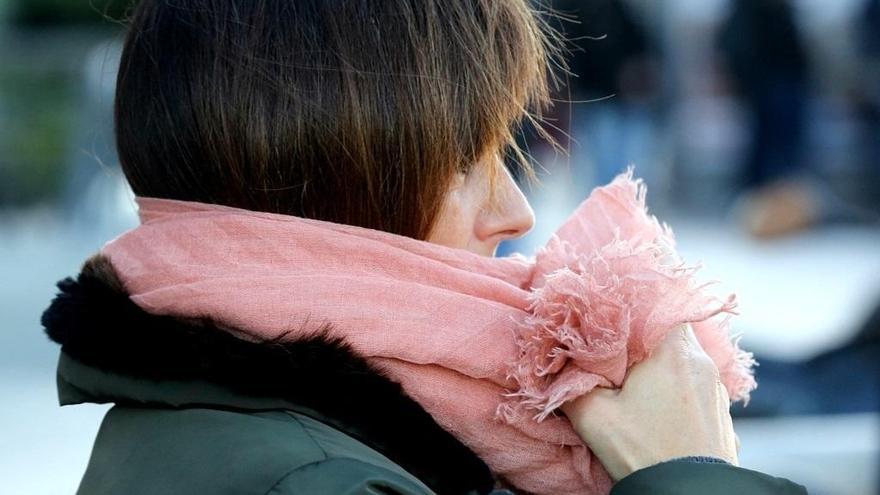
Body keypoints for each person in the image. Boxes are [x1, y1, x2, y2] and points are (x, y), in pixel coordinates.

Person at [41, 1, 806, 493]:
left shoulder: (237, 420)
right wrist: (688, 473)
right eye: (468, 163)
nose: (514, 214)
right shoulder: (323, 480)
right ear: (327, 180)